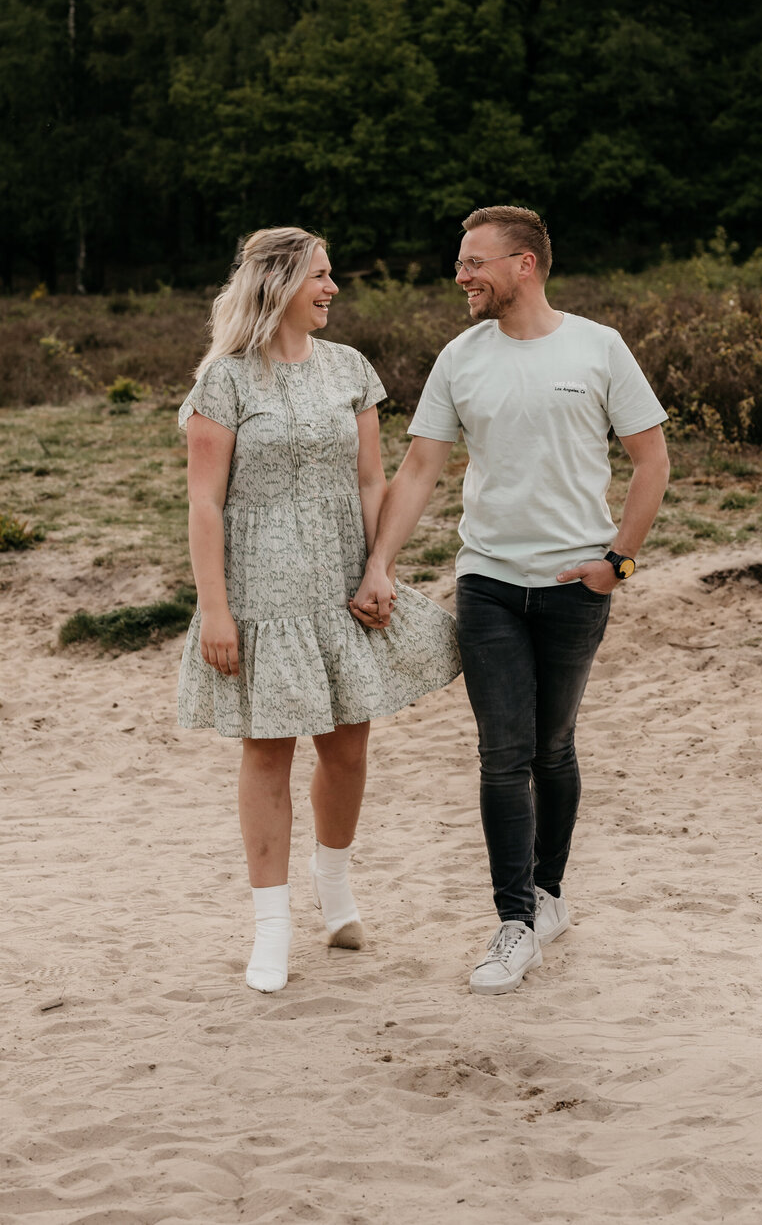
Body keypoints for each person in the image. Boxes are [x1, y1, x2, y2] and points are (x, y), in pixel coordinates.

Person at [351, 206, 670, 996]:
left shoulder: (598, 347)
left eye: (473, 263)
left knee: (552, 747)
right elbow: (420, 467)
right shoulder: (460, 358)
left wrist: (617, 563)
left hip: (574, 587)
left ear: (524, 265)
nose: (461, 276)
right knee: (503, 751)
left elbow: (651, 458)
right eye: (461, 264)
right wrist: (380, 564)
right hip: (487, 583)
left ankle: (550, 892)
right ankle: (514, 923)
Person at [177, 226, 460, 993]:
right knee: (267, 752)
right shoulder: (225, 381)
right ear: (277, 284)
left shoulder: (351, 370)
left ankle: (334, 892)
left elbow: (373, 483)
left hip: (340, 584)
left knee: (347, 747)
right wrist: (216, 611)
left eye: (332, 276)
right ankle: (271, 928)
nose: (333, 289)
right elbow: (204, 504)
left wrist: (380, 568)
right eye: (321, 276)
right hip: (258, 591)